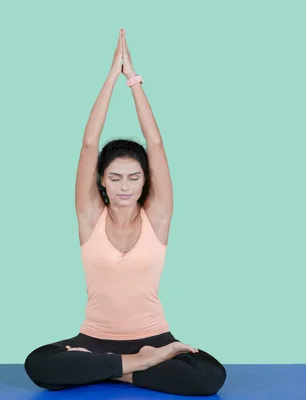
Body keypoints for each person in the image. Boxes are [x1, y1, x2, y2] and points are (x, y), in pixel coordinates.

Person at [24, 28, 226, 397]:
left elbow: (157, 144)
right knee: (37, 364)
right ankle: (137, 366)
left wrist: (132, 80)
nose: (125, 186)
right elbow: (88, 143)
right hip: (94, 340)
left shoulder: (158, 218)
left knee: (210, 376)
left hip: (154, 338)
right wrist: (109, 76)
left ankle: (109, 370)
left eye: (134, 177)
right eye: (115, 178)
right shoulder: (90, 218)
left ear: (145, 181)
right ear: (102, 181)